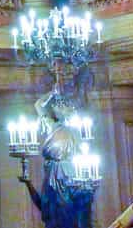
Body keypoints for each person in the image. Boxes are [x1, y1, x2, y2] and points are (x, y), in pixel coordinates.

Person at [18, 91, 95, 228]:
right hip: (52, 172)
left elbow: (82, 152)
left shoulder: (73, 131)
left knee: (68, 207)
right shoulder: (50, 126)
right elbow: (38, 105)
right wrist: (52, 92)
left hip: (68, 172)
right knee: (51, 206)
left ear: (68, 112)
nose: (56, 108)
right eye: (56, 106)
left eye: (61, 106)